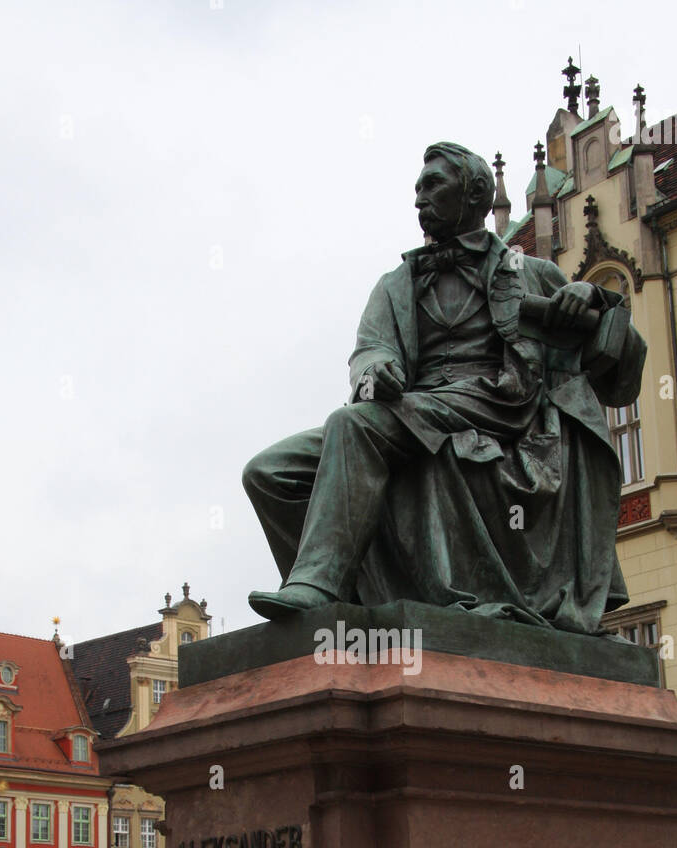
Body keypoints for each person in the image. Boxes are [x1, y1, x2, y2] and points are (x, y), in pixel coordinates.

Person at [244, 141, 645, 633]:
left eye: (433, 186)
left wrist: (595, 300)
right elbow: (368, 352)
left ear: (475, 193)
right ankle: (344, 609)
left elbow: (618, 375)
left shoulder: (530, 271)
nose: (419, 200)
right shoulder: (396, 284)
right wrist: (377, 372)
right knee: (267, 473)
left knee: (351, 426)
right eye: (416, 189)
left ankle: (317, 585)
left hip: (498, 406)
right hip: (414, 406)